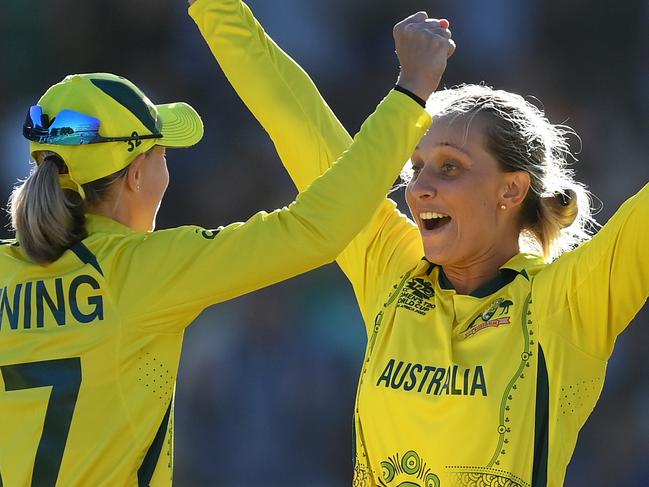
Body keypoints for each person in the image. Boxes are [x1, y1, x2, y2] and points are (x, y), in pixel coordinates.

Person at [190, 0, 649, 485]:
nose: (419, 187)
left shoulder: (567, 304)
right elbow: (294, 117)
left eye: (450, 167)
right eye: (416, 168)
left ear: (511, 190)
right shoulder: (390, 264)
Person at [0, 20, 453, 485]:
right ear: (136, 174)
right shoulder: (145, 268)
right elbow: (316, 227)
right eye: (163, 154)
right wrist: (411, 91)